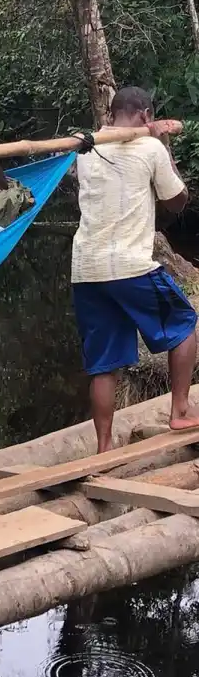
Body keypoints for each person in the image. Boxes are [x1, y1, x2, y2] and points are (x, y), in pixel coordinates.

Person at [72, 86, 199, 453]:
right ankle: (179, 410)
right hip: (129, 265)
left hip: (86, 269)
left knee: (104, 363)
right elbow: (177, 202)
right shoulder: (149, 147)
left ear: (111, 115)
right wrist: (164, 146)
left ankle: (104, 446)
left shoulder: (86, 149)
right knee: (184, 324)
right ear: (145, 116)